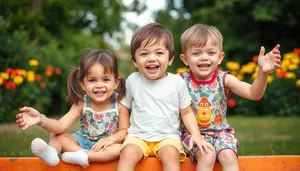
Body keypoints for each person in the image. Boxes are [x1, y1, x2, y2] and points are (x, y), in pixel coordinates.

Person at [178, 24, 281, 171]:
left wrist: (262, 73)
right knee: (207, 155)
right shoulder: (180, 81)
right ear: (185, 59)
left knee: (228, 155)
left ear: (220, 57)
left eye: (211, 53)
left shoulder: (224, 79)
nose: (204, 57)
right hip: (191, 135)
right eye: (196, 53)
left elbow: (254, 93)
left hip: (221, 133)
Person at [116, 23, 214, 171]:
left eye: (159, 53)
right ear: (135, 61)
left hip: (168, 138)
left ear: (170, 59)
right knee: (127, 154)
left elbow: (186, 112)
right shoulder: (133, 80)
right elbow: (124, 106)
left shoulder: (176, 82)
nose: (151, 58)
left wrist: (196, 135)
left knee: (171, 155)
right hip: (137, 137)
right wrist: (124, 130)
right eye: (144, 54)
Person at [16, 50, 130, 168]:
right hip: (80, 143)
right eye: (92, 80)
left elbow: (124, 131)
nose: (99, 85)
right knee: (56, 136)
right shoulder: (82, 103)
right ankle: (52, 152)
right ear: (82, 84)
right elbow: (60, 126)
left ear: (116, 82)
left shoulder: (120, 104)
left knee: (120, 149)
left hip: (106, 147)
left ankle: (84, 156)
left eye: (105, 79)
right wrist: (41, 119)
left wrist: (111, 139)